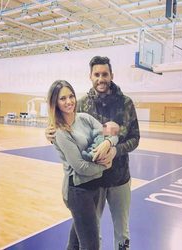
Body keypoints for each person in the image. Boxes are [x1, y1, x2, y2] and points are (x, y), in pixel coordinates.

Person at [46, 56, 140, 249]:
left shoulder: (126, 103)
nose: (100, 78)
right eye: (96, 74)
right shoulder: (81, 104)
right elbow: (63, 123)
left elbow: (134, 138)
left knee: (122, 232)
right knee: (91, 234)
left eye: (104, 74)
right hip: (91, 183)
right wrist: (48, 131)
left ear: (111, 75)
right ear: (90, 76)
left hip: (119, 178)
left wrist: (115, 150)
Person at [47, 80, 118, 250]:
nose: (69, 101)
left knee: (76, 242)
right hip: (79, 191)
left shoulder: (84, 118)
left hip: (96, 186)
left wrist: (108, 144)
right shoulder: (60, 132)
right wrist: (106, 166)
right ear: (55, 103)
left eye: (71, 96)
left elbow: (114, 132)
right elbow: (81, 167)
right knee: (91, 245)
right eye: (62, 98)